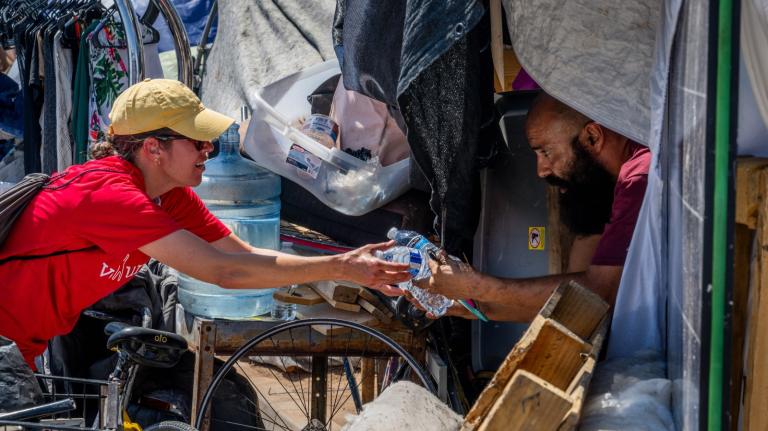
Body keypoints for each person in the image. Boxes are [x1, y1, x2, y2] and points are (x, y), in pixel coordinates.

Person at [0, 79, 411, 369]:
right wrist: (341, 268)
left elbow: (243, 255)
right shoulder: (112, 197)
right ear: (152, 148)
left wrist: (346, 262)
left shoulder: (168, 194)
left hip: (24, 346)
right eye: (196, 140)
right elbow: (223, 272)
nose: (209, 149)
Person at [382, 92, 651, 321]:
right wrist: (465, 306)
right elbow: (581, 304)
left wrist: (478, 286)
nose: (541, 170)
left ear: (592, 137)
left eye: (546, 152)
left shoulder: (639, 177)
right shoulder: (627, 178)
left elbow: (599, 296)